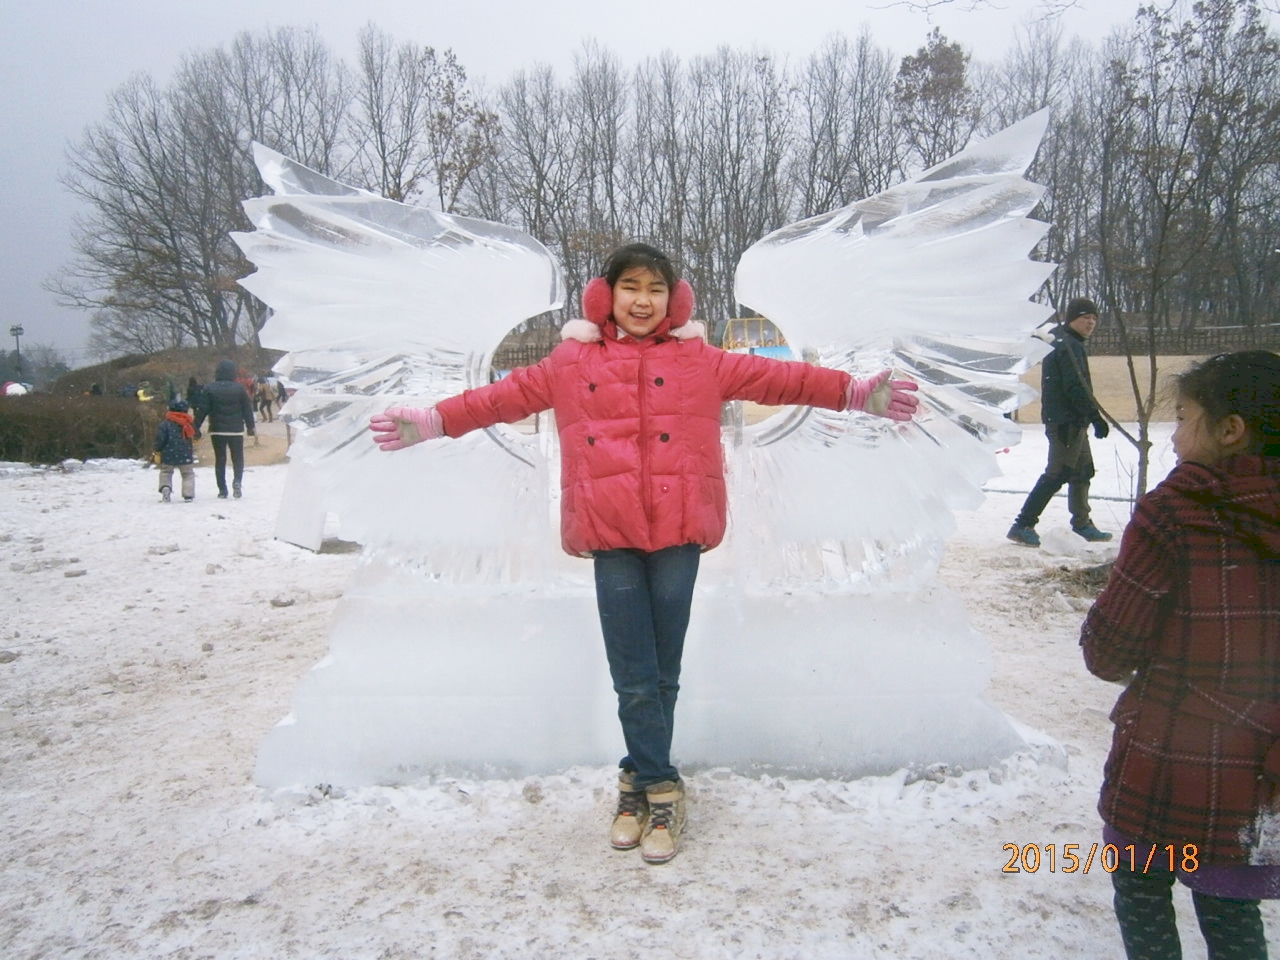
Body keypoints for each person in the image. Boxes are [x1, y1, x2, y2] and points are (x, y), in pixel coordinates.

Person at [370, 243, 919, 864]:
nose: (642, 300)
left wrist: (855, 394)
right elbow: (500, 399)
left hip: (680, 531)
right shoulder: (570, 363)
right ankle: (660, 786)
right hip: (611, 536)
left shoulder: (702, 361)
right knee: (636, 672)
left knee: (662, 670)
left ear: (673, 298)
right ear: (606, 295)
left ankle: (638, 780)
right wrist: (433, 422)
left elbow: (786, 378)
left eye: (655, 289)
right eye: (630, 286)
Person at [1080, 351, 1280, 959]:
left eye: (1184, 417)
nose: (1173, 438)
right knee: (1233, 921)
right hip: (1258, 778)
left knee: (1144, 905)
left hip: (1164, 765)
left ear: (1229, 430)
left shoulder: (1174, 514)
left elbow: (1110, 653)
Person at [1008, 297, 1113, 546]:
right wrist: (1095, 417)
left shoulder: (1066, 341)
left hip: (1073, 420)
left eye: (1094, 318)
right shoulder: (1067, 346)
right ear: (1072, 319)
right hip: (1065, 421)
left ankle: (1082, 524)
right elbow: (1075, 386)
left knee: (1082, 470)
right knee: (1058, 473)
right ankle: (1023, 524)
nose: (1091, 322)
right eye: (1085, 317)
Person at [195, 358, 255, 499]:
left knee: (220, 459)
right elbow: (247, 410)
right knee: (237, 458)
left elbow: (203, 410)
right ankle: (237, 482)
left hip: (217, 429)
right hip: (236, 430)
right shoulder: (239, 389)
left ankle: (222, 489)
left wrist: (195, 426)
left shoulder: (210, 388)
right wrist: (250, 427)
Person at [153, 399, 196, 502]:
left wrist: (157, 449)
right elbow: (195, 435)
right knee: (187, 474)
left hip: (168, 452)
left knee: (166, 472)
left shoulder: (165, 424)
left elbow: (160, 439)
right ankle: (188, 494)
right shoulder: (188, 423)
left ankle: (165, 488)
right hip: (185, 453)